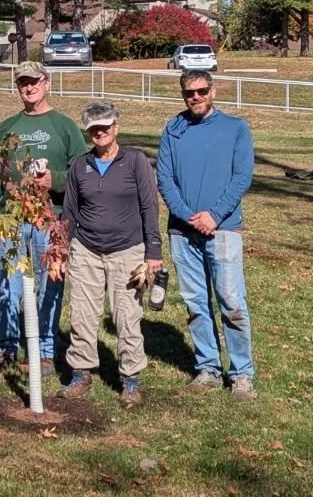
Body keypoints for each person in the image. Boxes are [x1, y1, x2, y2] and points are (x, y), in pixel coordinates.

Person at [0, 61, 89, 369]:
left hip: (51, 220)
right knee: (6, 282)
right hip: (10, 218)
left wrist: (55, 179)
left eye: (34, 81)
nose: (29, 87)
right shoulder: (8, 126)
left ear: (47, 83)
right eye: (23, 83)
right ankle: (5, 345)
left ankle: (44, 350)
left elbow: (82, 173)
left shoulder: (64, 126)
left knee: (49, 285)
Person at [155, 70, 257, 399]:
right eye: (189, 93)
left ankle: (241, 373)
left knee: (231, 301)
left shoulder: (236, 128)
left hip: (223, 229)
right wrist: (187, 216)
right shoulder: (173, 130)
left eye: (201, 91)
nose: (195, 97)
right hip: (182, 233)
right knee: (196, 303)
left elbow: (241, 177)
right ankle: (208, 368)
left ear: (212, 91)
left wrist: (214, 216)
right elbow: (165, 179)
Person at [59, 101, 161, 408]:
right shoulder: (80, 165)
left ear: (116, 127)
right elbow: (70, 210)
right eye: (94, 129)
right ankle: (81, 373)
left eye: (105, 127)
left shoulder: (135, 161)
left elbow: (149, 206)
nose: (100, 133)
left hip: (128, 251)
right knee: (81, 314)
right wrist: (63, 247)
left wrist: (153, 251)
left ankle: (131, 380)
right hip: (86, 250)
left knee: (127, 317)